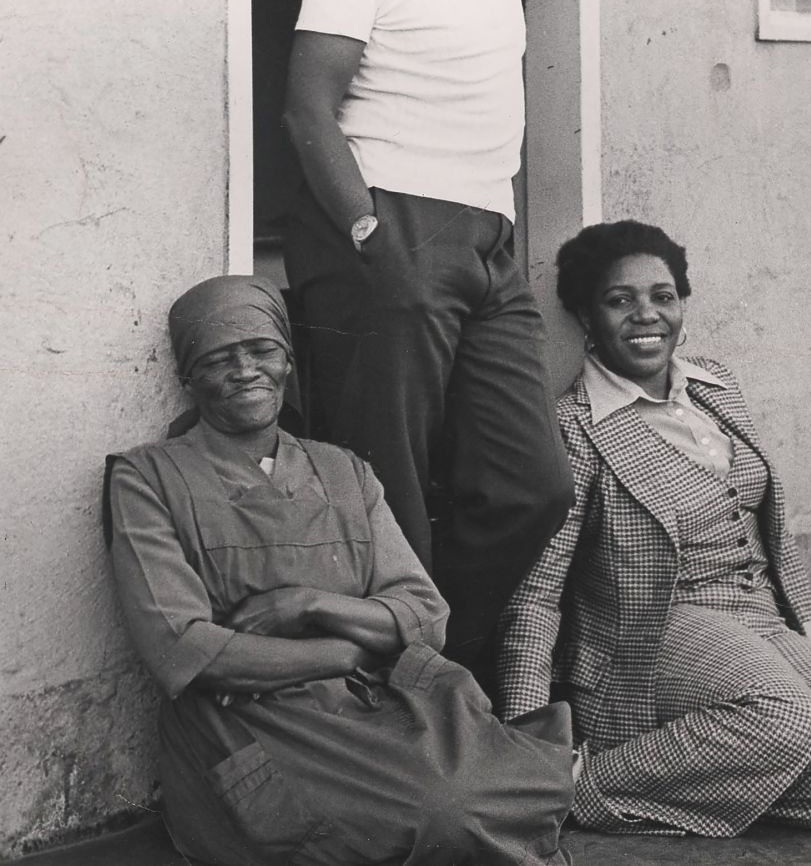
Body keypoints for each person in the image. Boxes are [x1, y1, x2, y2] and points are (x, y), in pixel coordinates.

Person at [282, 0, 730, 680]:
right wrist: (368, 232)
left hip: (488, 238)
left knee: (532, 487)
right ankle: (399, 695)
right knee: (389, 487)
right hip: (393, 221)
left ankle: (441, 654)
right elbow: (306, 110)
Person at [106, 275, 574, 866]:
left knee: (507, 790)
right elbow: (184, 649)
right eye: (219, 359)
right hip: (252, 726)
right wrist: (352, 650)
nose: (246, 369)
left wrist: (309, 604)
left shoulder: (344, 470)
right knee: (440, 816)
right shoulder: (146, 478)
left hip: (371, 707)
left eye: (261, 351)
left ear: (288, 362)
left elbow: (426, 617)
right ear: (187, 378)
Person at [497, 220, 811, 836]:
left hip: (760, 617)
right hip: (658, 629)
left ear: (682, 304)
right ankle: (574, 787)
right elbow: (539, 591)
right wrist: (524, 742)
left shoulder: (716, 384)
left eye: (663, 296)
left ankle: (701, 770)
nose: (646, 315)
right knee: (788, 720)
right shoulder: (573, 426)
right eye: (619, 300)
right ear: (583, 315)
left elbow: (771, 530)